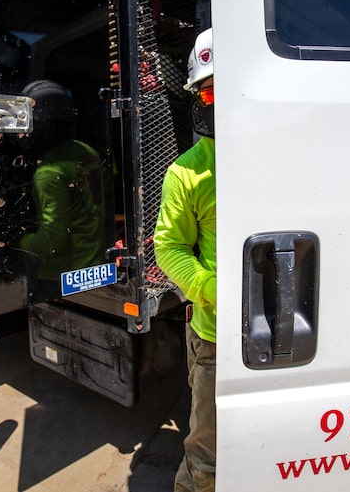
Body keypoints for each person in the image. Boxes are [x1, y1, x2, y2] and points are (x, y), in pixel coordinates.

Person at [154, 27, 216, 492]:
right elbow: (169, 246)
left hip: (299, 334)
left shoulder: (296, 154)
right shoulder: (188, 171)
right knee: (207, 461)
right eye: (207, 93)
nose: (215, 103)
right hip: (216, 338)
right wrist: (208, 288)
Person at [19, 80, 106, 281]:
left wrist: (20, 244)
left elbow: (54, 237)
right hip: (94, 263)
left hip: (63, 272)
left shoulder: (48, 172)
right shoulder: (86, 151)